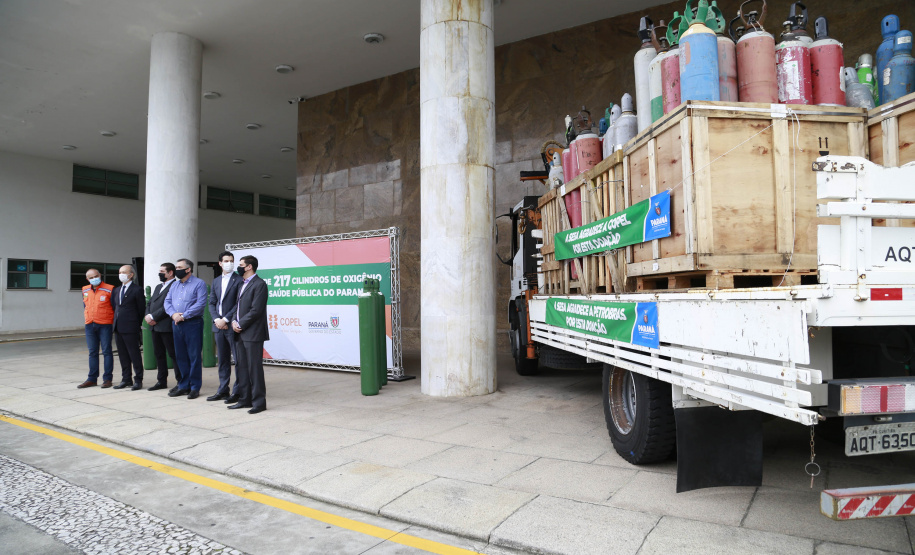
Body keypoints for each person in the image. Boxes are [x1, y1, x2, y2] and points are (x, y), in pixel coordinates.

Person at [229, 255, 269, 414]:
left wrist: (240, 324)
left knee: (254, 369)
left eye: (241, 265)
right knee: (242, 368)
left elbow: (256, 310)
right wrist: (234, 321)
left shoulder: (260, 284)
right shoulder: (242, 284)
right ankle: (244, 399)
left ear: (249, 267)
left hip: (253, 333)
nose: (238, 267)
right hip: (239, 333)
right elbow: (237, 307)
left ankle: (259, 402)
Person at [164, 258, 208, 399]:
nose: (176, 270)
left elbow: (200, 303)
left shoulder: (199, 283)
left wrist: (184, 315)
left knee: (194, 356)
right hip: (177, 323)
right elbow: (167, 301)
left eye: (179, 267)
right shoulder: (175, 285)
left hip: (192, 323)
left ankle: (195, 387)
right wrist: (173, 314)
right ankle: (184, 385)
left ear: (188, 269)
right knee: (181, 355)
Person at [207, 251, 243, 402]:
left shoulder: (239, 280)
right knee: (222, 360)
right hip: (218, 326)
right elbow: (212, 302)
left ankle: (238, 391)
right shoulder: (216, 281)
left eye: (231, 260)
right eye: (226, 261)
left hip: (231, 325)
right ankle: (223, 389)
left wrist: (226, 319)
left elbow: (238, 303)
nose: (229, 263)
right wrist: (217, 319)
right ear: (220, 263)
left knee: (238, 360)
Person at [145, 262, 181, 391]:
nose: (159, 274)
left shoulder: (175, 285)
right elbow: (150, 303)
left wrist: (154, 317)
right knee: (159, 354)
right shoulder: (158, 286)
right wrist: (148, 315)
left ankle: (180, 381)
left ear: (170, 273)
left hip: (167, 326)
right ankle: (161, 381)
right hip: (155, 327)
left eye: (162, 271)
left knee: (173, 354)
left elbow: (169, 306)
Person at [77, 269, 115, 388]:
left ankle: (107, 379)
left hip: (105, 324)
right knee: (92, 352)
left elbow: (114, 307)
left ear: (100, 275)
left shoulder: (110, 289)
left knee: (107, 351)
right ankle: (92, 379)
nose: (94, 278)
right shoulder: (85, 289)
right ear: (87, 279)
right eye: (91, 277)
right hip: (90, 324)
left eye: (96, 276)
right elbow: (85, 305)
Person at [111, 265, 146, 390]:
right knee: (122, 355)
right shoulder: (116, 290)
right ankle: (126, 379)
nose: (121, 274)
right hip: (118, 327)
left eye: (124, 272)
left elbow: (141, 309)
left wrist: (135, 323)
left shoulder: (137, 290)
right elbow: (115, 307)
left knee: (134, 354)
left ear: (131, 274)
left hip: (131, 327)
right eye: (120, 272)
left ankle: (138, 380)